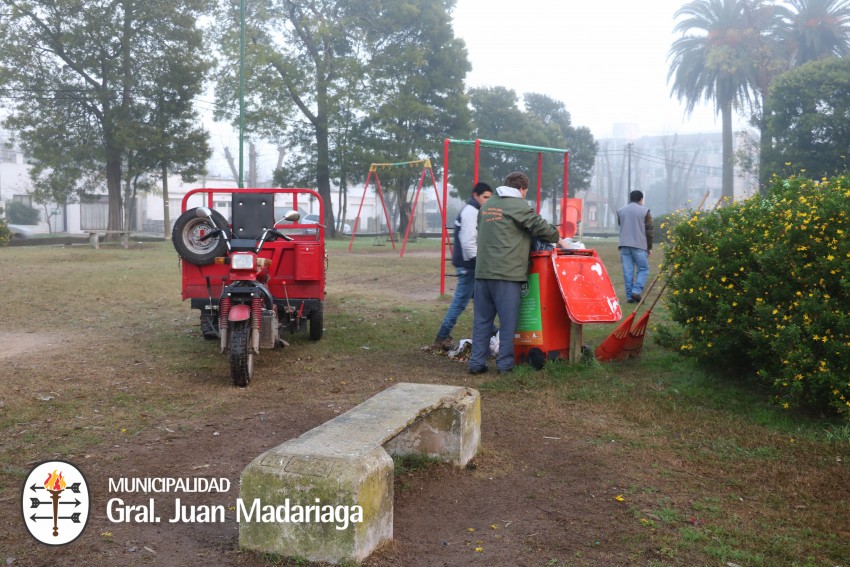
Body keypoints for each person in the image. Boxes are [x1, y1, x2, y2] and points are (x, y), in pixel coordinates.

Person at [468, 172, 572, 375]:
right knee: (508, 322)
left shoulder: (487, 206)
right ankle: (505, 365)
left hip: (482, 273)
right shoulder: (518, 205)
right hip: (507, 274)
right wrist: (559, 238)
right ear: (522, 189)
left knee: (482, 320)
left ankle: (476, 363)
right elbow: (541, 228)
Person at [432, 182, 494, 351]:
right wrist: (480, 262)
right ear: (476, 195)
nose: (488, 201)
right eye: (485, 197)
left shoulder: (474, 211)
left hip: (470, 264)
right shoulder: (471, 212)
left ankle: (493, 332)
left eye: (490, 197)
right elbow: (468, 244)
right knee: (460, 303)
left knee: (481, 302)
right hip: (469, 266)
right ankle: (442, 337)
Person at [617, 189, 654, 303]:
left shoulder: (621, 211)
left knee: (628, 271)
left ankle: (629, 297)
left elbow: (621, 224)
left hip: (624, 245)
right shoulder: (645, 211)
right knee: (643, 269)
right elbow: (649, 230)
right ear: (641, 199)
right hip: (639, 244)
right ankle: (636, 291)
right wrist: (649, 247)